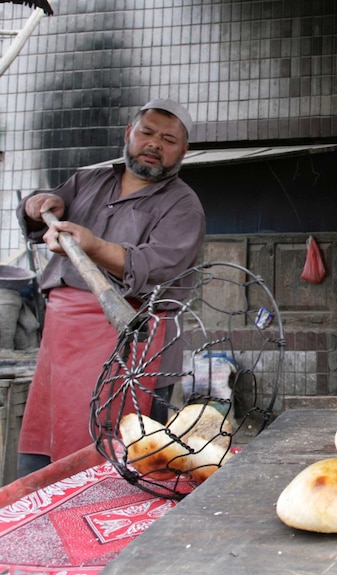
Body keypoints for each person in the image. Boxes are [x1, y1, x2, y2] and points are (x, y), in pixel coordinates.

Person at [16, 98, 206, 477]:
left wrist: (95, 246)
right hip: (64, 338)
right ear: (128, 135)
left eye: (169, 139)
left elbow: (157, 266)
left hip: (131, 340)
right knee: (50, 441)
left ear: (183, 151)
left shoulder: (183, 206)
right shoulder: (90, 179)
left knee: (129, 453)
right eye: (147, 132)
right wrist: (38, 203)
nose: (155, 144)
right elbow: (41, 217)